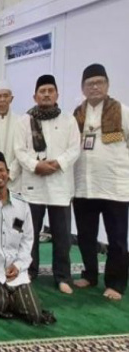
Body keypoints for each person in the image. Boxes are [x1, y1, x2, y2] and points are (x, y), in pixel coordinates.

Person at [0, 150, 55, 325]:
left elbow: (27, 241)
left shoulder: (21, 205)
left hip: (15, 269)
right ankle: (7, 298)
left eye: (1, 170)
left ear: (7, 173)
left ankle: (8, 298)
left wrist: (19, 265)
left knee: (35, 315)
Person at [14, 74, 80, 294]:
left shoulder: (68, 120)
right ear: (35, 96)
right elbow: (19, 150)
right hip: (33, 185)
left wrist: (57, 163)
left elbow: (74, 149)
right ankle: (29, 271)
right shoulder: (25, 121)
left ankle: (62, 276)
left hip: (60, 186)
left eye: (50, 91)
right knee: (30, 234)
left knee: (62, 236)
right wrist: (36, 166)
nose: (46, 94)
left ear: (57, 94)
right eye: (42, 91)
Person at [72, 64, 129, 301]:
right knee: (86, 236)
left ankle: (116, 283)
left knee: (117, 239)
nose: (94, 87)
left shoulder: (122, 111)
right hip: (84, 187)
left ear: (107, 85)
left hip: (115, 187)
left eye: (99, 82)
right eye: (90, 83)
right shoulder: (77, 114)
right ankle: (90, 275)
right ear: (83, 88)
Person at [0, 80, 21, 191]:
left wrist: (10, 174)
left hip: (14, 180)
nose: (2, 99)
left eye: (5, 96)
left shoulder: (20, 122)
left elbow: (22, 151)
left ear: (11, 98)